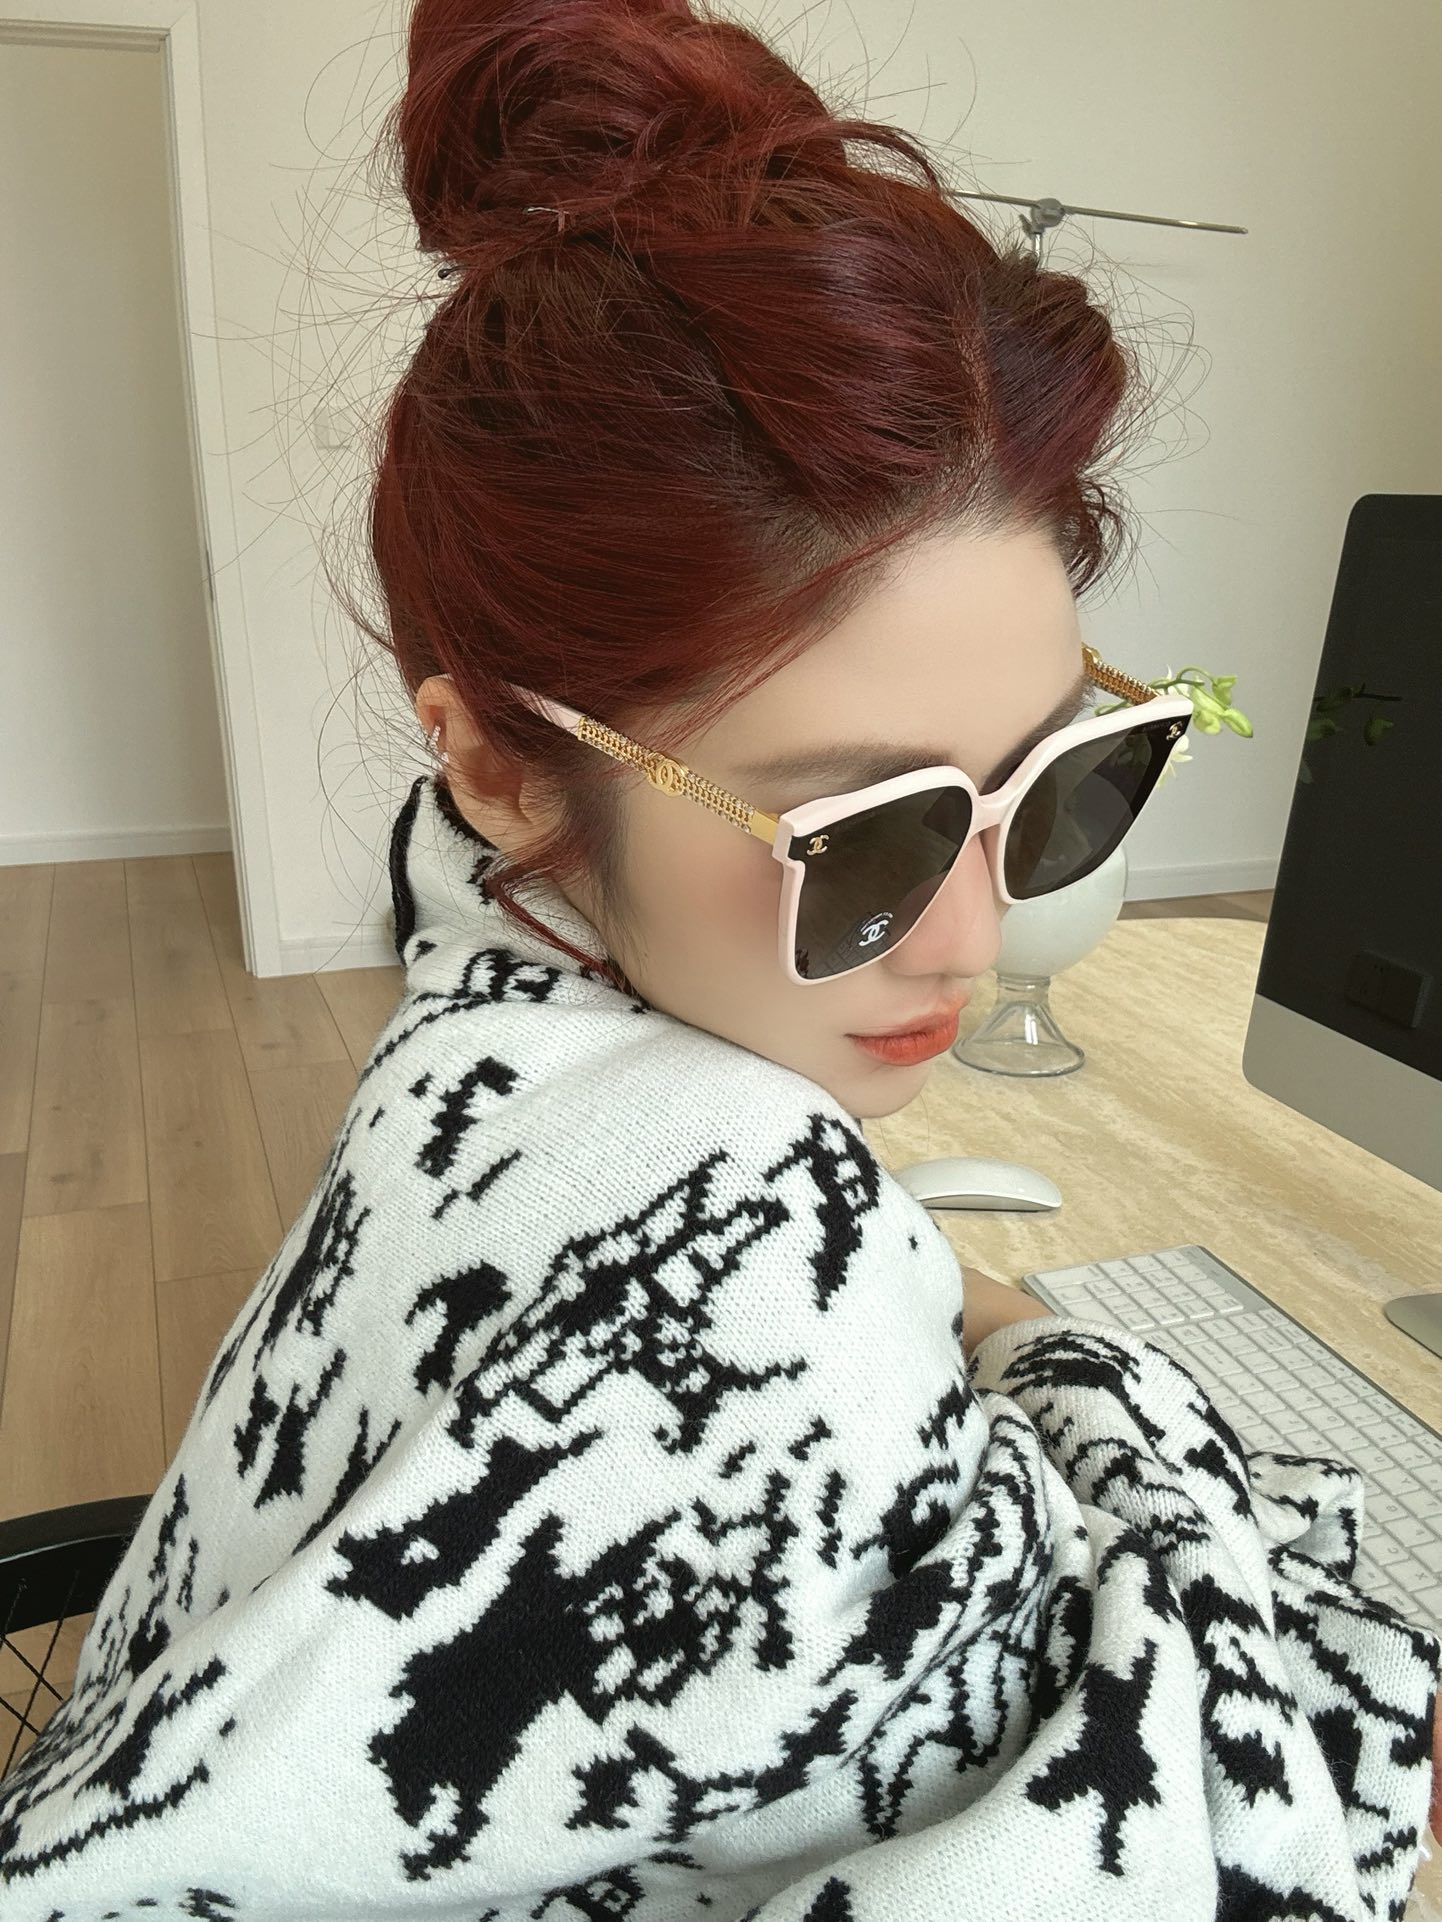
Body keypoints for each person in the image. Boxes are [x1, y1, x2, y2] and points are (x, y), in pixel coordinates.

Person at [1, 0, 1438, 1914]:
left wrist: (937, 1285)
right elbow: (1226, 1819)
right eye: (861, 833)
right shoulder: (751, 1281)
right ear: (498, 759)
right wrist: (1050, 1346)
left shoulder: (490, 1012)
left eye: (1057, 782)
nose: (977, 928)